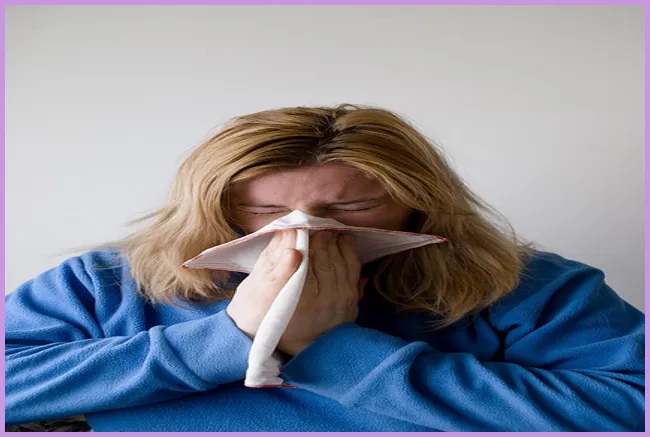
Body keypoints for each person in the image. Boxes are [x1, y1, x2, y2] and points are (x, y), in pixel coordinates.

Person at [5, 104, 644, 432]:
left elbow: (632, 408)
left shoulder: (525, 285)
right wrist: (233, 337)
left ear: (420, 203)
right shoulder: (108, 283)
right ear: (212, 206)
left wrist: (334, 350)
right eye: (265, 212)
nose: (305, 230)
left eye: (355, 208)